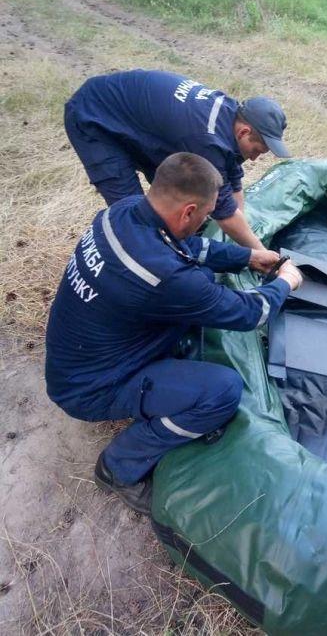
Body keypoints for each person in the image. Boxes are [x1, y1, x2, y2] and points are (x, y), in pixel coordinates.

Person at [45, 152, 302, 515]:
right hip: (90, 388)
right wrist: (286, 283)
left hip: (77, 356)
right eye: (206, 216)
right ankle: (117, 468)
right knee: (221, 391)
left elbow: (185, 248)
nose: (205, 223)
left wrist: (245, 257)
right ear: (188, 212)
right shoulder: (163, 276)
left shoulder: (124, 212)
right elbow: (249, 313)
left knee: (200, 286)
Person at [64, 69, 291, 250]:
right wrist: (261, 255)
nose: (254, 158)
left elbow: (233, 184)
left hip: (135, 119)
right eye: (257, 150)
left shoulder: (230, 115)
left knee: (174, 200)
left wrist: (241, 230)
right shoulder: (207, 140)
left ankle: (164, 246)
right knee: (135, 212)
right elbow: (225, 214)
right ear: (244, 132)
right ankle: (139, 264)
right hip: (94, 115)